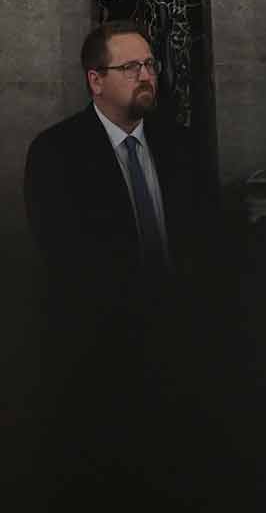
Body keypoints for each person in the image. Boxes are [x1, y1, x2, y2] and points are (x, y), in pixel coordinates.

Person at [24, 20, 215, 312]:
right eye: (130, 68)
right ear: (96, 81)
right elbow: (66, 261)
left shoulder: (182, 144)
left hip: (186, 321)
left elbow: (206, 241)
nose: (146, 76)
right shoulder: (55, 154)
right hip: (103, 330)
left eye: (150, 64)